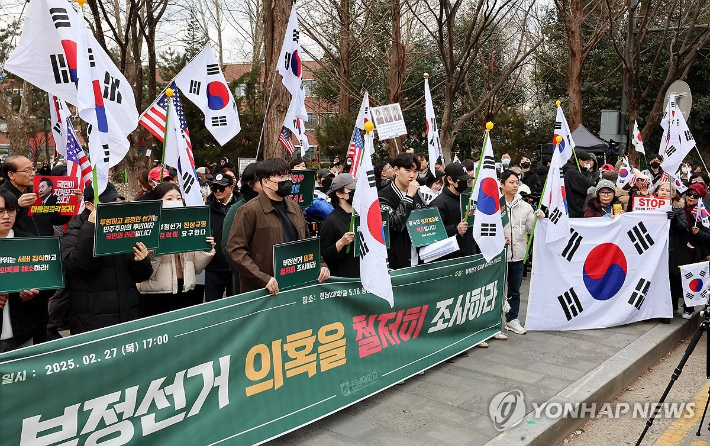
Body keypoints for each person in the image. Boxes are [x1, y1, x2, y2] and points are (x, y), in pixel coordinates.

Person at [227, 158, 330, 294]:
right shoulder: (249, 210)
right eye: (281, 177)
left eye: (288, 176)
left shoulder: (295, 207)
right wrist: (263, 278)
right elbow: (235, 250)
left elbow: (307, 242)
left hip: (294, 284)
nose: (287, 180)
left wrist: (321, 265)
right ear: (265, 182)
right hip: (264, 290)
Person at [62, 183, 153, 334]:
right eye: (107, 202)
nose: (113, 205)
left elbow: (142, 276)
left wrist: (141, 262)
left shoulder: (124, 226)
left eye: (115, 201)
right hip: (92, 321)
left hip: (128, 314)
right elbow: (79, 266)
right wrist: (91, 227)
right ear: (89, 205)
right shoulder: (76, 229)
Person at [137, 183, 215, 316]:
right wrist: (157, 249)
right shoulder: (147, 226)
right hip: (156, 295)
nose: (175, 201)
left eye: (179, 198)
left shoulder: (188, 226)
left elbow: (197, 268)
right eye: (169, 198)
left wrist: (206, 250)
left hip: (185, 290)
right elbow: (144, 273)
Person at [0, 189, 50, 352]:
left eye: (11, 210)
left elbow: (50, 284)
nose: (6, 216)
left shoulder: (31, 243)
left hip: (23, 334)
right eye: (0, 211)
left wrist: (34, 295)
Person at [379, 153, 427, 269]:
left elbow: (424, 218)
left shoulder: (417, 192)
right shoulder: (383, 196)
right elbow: (395, 224)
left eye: (415, 171)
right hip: (396, 261)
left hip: (418, 258)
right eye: (407, 170)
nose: (412, 175)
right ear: (396, 170)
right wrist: (409, 196)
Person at [500, 171, 534, 335]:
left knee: (515, 290)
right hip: (499, 257)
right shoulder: (494, 205)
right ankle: (494, 322)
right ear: (502, 184)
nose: (515, 185)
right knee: (497, 290)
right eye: (511, 182)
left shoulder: (525, 206)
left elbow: (531, 229)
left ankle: (512, 319)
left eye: (517, 182)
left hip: (518, 255)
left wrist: (538, 219)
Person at [222, 162, 262, 287]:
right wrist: (249, 274)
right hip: (247, 282)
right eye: (261, 179)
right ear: (250, 183)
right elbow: (228, 248)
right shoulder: (238, 209)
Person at [430, 163, 475, 259]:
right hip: (452, 258)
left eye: (466, 180)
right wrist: (455, 229)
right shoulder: (439, 203)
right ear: (450, 180)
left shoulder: (466, 199)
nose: (465, 183)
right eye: (462, 180)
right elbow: (433, 232)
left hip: (469, 253)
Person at [204, 172, 238, 301]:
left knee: (234, 305)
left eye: (221, 187)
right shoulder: (207, 208)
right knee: (212, 305)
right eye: (214, 187)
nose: (217, 191)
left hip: (234, 265)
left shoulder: (241, 207)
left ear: (231, 187)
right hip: (213, 266)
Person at [319, 174, 359, 277]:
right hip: (343, 279)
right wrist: (341, 243)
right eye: (352, 190)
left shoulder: (361, 216)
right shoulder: (329, 222)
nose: (356, 193)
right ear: (339, 194)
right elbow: (323, 256)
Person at [680, 183, 710, 318]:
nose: (691, 197)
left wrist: (698, 233)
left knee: (692, 279)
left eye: (695, 195)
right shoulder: (679, 207)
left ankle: (689, 308)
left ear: (700, 198)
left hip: (695, 251)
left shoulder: (704, 214)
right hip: (680, 248)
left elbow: (708, 235)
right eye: (689, 193)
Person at [563, 150, 596, 218]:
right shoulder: (572, 172)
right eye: (587, 161)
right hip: (576, 207)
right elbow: (588, 184)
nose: (588, 164)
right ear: (580, 161)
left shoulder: (577, 171)